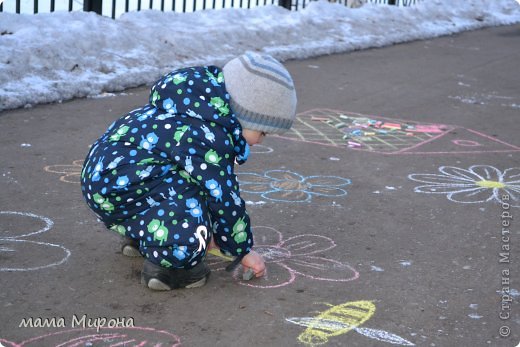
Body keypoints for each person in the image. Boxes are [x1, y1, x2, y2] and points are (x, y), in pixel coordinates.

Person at [80, 52, 297, 290]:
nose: (260, 141)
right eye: (262, 132)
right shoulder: (210, 135)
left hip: (103, 183)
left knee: (176, 183)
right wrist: (241, 250)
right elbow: (223, 198)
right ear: (243, 115)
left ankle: (144, 236)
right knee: (193, 202)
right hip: (126, 185)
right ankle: (172, 266)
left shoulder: (186, 107)